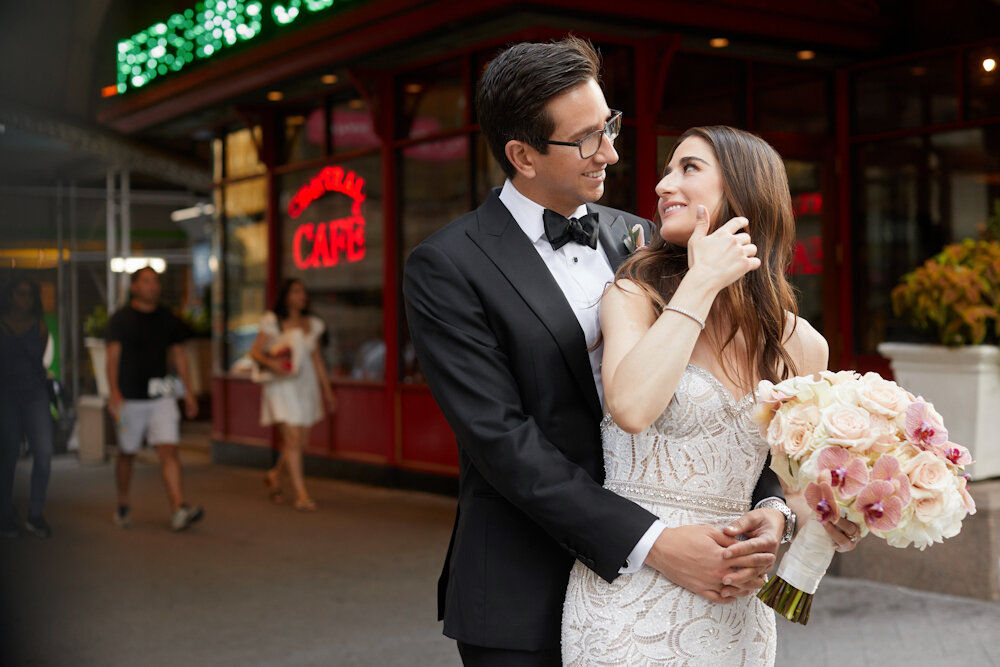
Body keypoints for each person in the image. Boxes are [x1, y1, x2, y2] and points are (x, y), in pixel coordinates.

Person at [403, 38, 791, 666]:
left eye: (609, 125)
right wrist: (655, 542)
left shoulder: (642, 236)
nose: (611, 151)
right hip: (522, 585)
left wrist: (771, 504)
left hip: (670, 594)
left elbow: (728, 395)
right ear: (521, 155)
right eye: (586, 139)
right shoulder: (447, 266)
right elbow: (502, 442)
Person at [561, 126, 862, 664]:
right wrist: (700, 283)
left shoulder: (803, 346)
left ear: (743, 193)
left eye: (688, 168)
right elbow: (632, 408)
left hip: (735, 610)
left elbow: (788, 483)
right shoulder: (633, 296)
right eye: (667, 170)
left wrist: (810, 516)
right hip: (629, 599)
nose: (662, 184)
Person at [106, 267, 203, 532]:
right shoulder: (121, 319)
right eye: (147, 281)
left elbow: (179, 355)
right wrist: (113, 390)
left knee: (168, 450)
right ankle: (124, 502)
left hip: (162, 395)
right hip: (129, 398)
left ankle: (178, 507)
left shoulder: (167, 318)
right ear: (134, 287)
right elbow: (112, 356)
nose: (153, 286)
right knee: (127, 453)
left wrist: (190, 392)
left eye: (156, 281)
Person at [250, 278, 335, 512]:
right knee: (293, 439)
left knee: (299, 441)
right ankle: (301, 495)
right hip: (281, 385)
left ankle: (275, 474)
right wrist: (272, 363)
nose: (301, 296)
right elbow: (255, 352)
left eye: (303, 291)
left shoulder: (313, 324)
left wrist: (327, 390)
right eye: (296, 291)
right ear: (286, 295)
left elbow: (316, 359)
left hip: (305, 385)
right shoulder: (272, 321)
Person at [0, 278, 55, 538]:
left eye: (30, 295)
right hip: (5, 394)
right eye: (21, 294)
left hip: (34, 393)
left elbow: (38, 361)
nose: (26, 300)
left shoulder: (40, 328)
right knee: (8, 454)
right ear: (10, 296)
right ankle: (5, 515)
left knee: (44, 452)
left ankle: (35, 513)